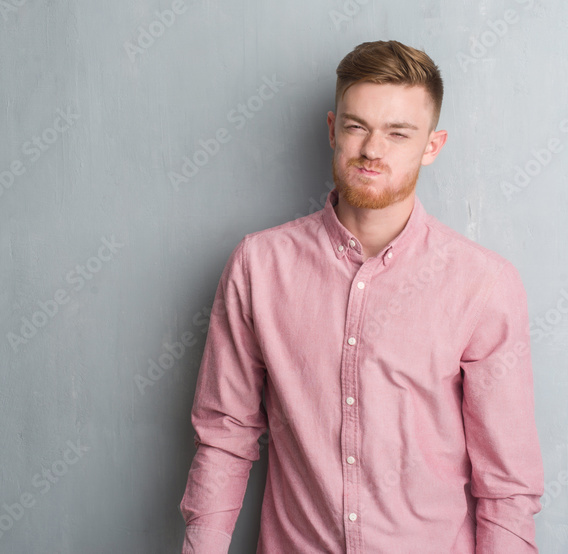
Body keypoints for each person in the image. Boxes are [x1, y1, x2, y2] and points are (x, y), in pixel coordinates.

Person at [179, 39, 544, 553]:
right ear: (332, 130)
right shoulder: (258, 265)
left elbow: (506, 486)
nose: (373, 150)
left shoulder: (483, 284)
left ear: (432, 146)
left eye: (398, 133)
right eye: (357, 127)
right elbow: (225, 436)